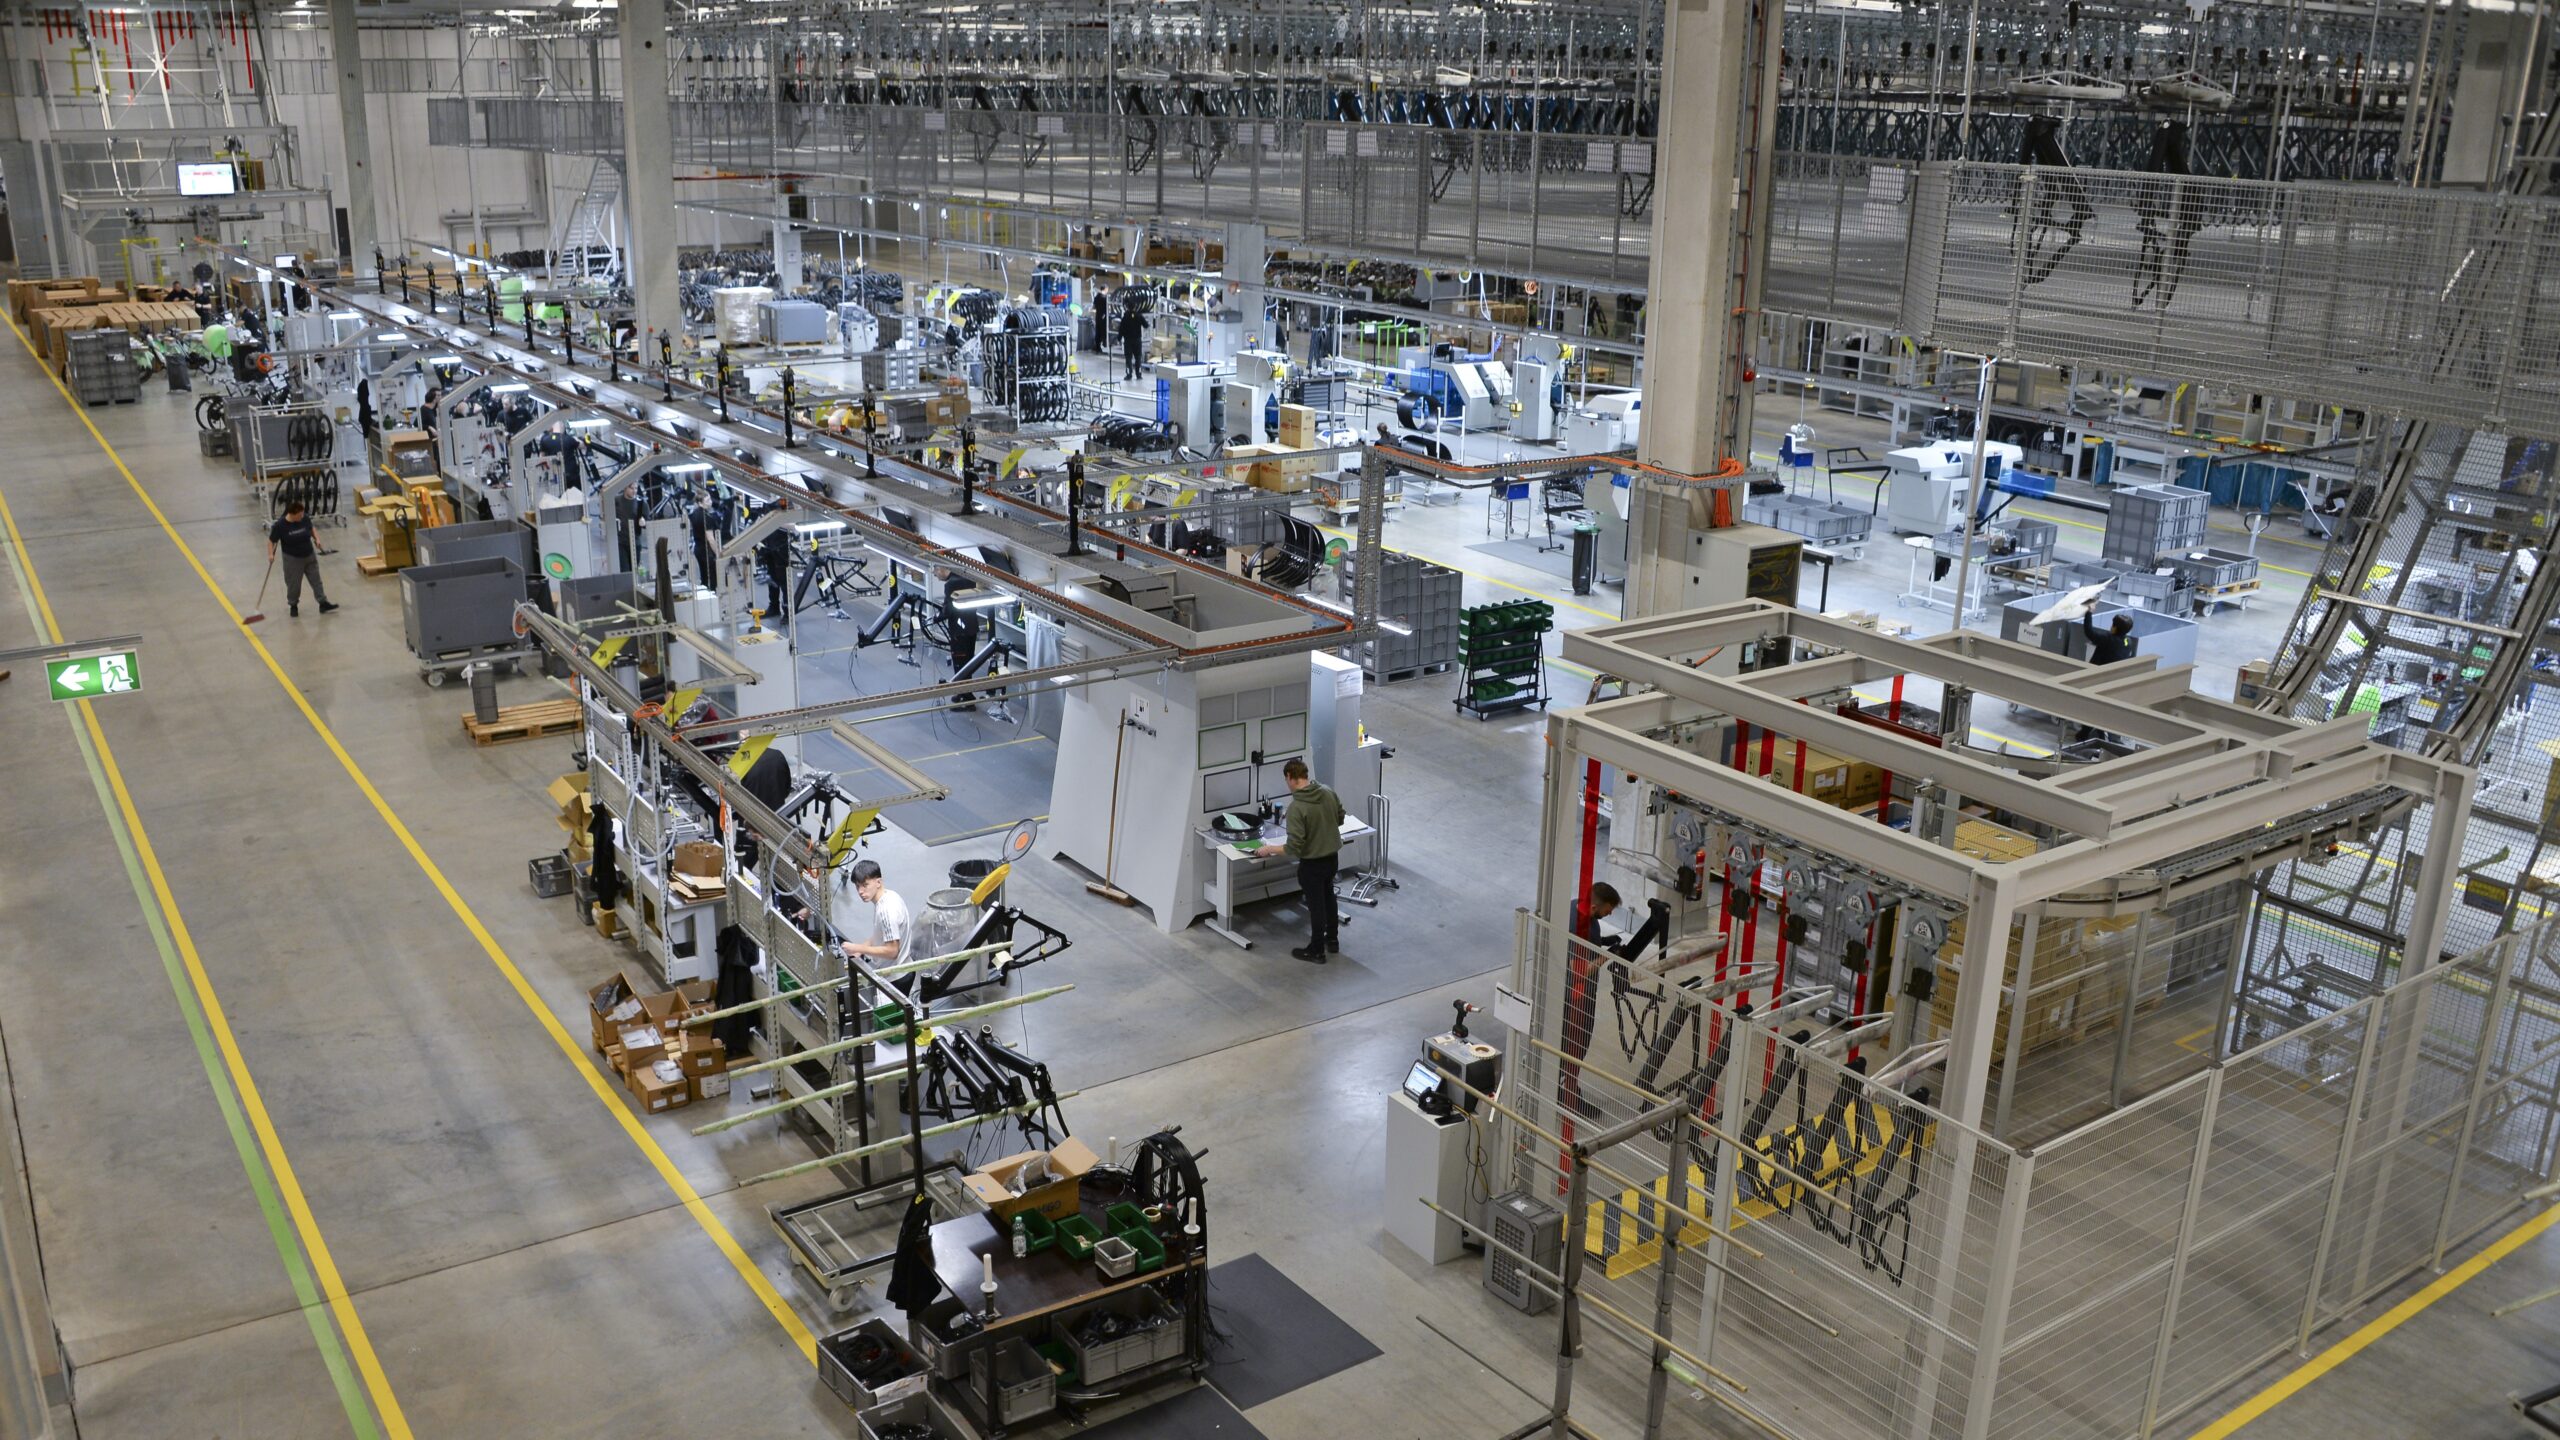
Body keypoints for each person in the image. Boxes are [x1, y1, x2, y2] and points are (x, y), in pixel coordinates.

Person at [1254, 758, 1346, 962]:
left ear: (1290, 777)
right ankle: (1332, 941)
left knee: (1316, 906)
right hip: (1332, 858)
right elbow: (1340, 817)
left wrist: (1268, 849)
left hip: (1312, 864)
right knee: (1329, 896)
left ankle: (1316, 950)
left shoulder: (1297, 807)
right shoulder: (1327, 791)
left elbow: (1294, 847)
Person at [266, 500, 337, 617]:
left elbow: (311, 528)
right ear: (292, 514)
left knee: (316, 581)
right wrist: (270, 554)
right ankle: (293, 605)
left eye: (302, 514)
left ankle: (323, 603)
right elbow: (271, 541)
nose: (302, 516)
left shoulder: (304, 518)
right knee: (294, 585)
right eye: (299, 515)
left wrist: (317, 539)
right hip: (292, 559)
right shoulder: (280, 525)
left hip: (309, 555)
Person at [837, 858, 912, 965]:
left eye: (865, 885)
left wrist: (858, 948)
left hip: (896, 976)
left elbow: (892, 951)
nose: (860, 891)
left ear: (878, 882)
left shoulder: (886, 910)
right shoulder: (890, 896)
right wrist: (859, 949)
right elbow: (881, 933)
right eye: (857, 886)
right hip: (902, 966)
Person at [938, 565, 981, 711]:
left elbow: (949, 609)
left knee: (960, 664)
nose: (936, 575)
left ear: (943, 569)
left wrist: (938, 616)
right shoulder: (967, 578)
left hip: (959, 631)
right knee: (968, 662)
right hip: (971, 628)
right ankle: (961, 692)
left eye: (936, 571)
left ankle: (969, 700)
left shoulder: (951, 584)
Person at [1118, 293, 1147, 382]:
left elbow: (1121, 329)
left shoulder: (1125, 317)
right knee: (1138, 357)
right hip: (1137, 340)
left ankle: (1129, 374)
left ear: (1127, 307)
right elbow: (1145, 325)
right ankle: (1138, 374)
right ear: (1135, 307)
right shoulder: (1139, 315)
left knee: (1128, 358)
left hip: (1128, 341)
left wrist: (1119, 338)